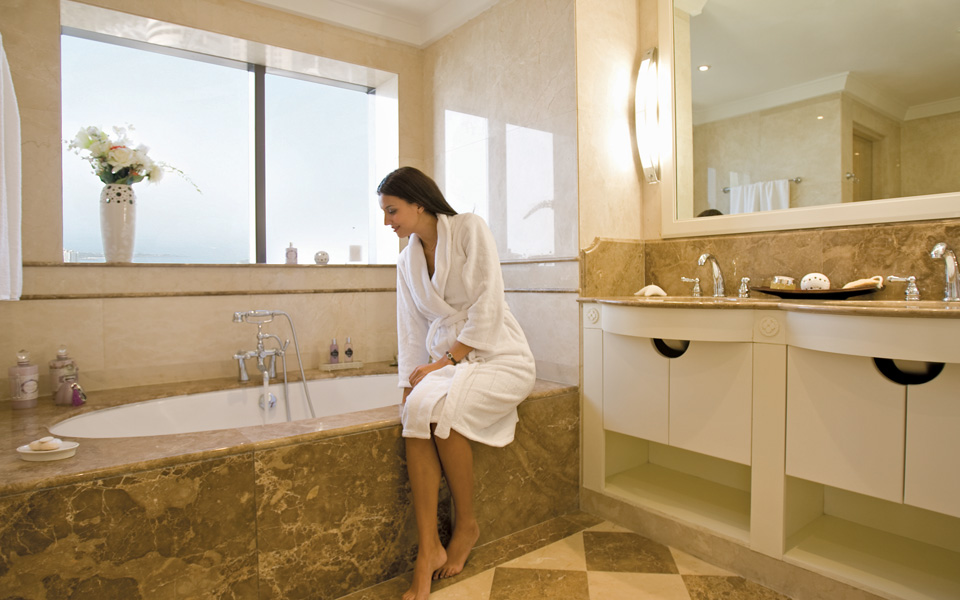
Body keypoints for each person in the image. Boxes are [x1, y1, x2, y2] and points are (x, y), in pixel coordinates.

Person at [378, 167, 536, 600]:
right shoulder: (407, 261)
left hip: (499, 352)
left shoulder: (468, 229)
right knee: (416, 411)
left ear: (418, 204)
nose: (387, 221)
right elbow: (410, 328)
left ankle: (466, 525)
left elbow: (489, 300)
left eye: (392, 211)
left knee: (444, 411)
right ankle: (428, 547)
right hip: (448, 361)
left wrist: (446, 360)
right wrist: (408, 385)